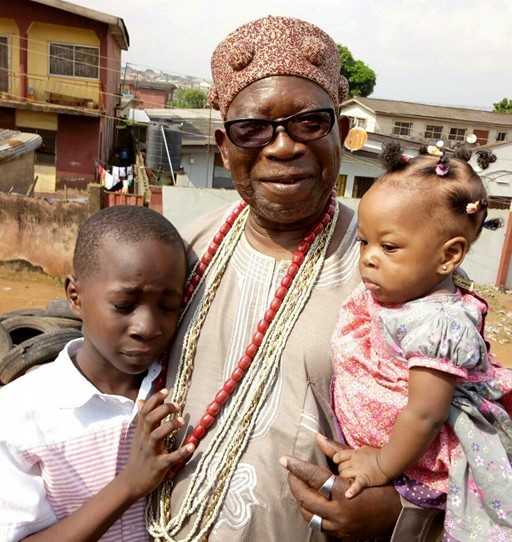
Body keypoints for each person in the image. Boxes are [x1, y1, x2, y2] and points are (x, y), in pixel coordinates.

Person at [146, 15, 405, 542]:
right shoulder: (182, 251)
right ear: (223, 145)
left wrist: (397, 515)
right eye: (253, 129)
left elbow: (473, 439)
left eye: (310, 123)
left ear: (342, 132)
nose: (283, 147)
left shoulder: (404, 271)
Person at [330, 143, 512, 541]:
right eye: (364, 242)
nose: (368, 258)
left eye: (388, 247)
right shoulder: (404, 294)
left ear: (448, 257)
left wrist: (380, 466)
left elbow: (425, 415)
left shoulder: (440, 324)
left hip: (411, 457)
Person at [0, 205, 195, 542]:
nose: (147, 328)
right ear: (75, 296)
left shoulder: (181, 388)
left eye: (167, 307)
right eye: (124, 305)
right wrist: (130, 485)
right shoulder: (20, 415)